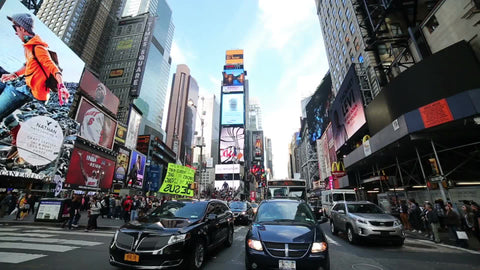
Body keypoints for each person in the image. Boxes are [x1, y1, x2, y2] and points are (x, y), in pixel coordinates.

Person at [0, 13, 70, 162]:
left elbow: (51, 67)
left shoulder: (38, 48)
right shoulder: (28, 46)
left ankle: (22, 144)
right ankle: (17, 135)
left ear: (23, 29)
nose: (15, 31)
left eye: (15, 27)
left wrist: (61, 85)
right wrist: (13, 74)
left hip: (33, 93)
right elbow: (29, 66)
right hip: (26, 87)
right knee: (5, 109)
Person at [79, 83, 113, 148]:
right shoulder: (88, 110)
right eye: (98, 87)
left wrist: (97, 151)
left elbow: (107, 137)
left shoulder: (106, 112)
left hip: (92, 145)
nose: (99, 88)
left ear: (104, 94)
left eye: (101, 88)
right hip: (81, 142)